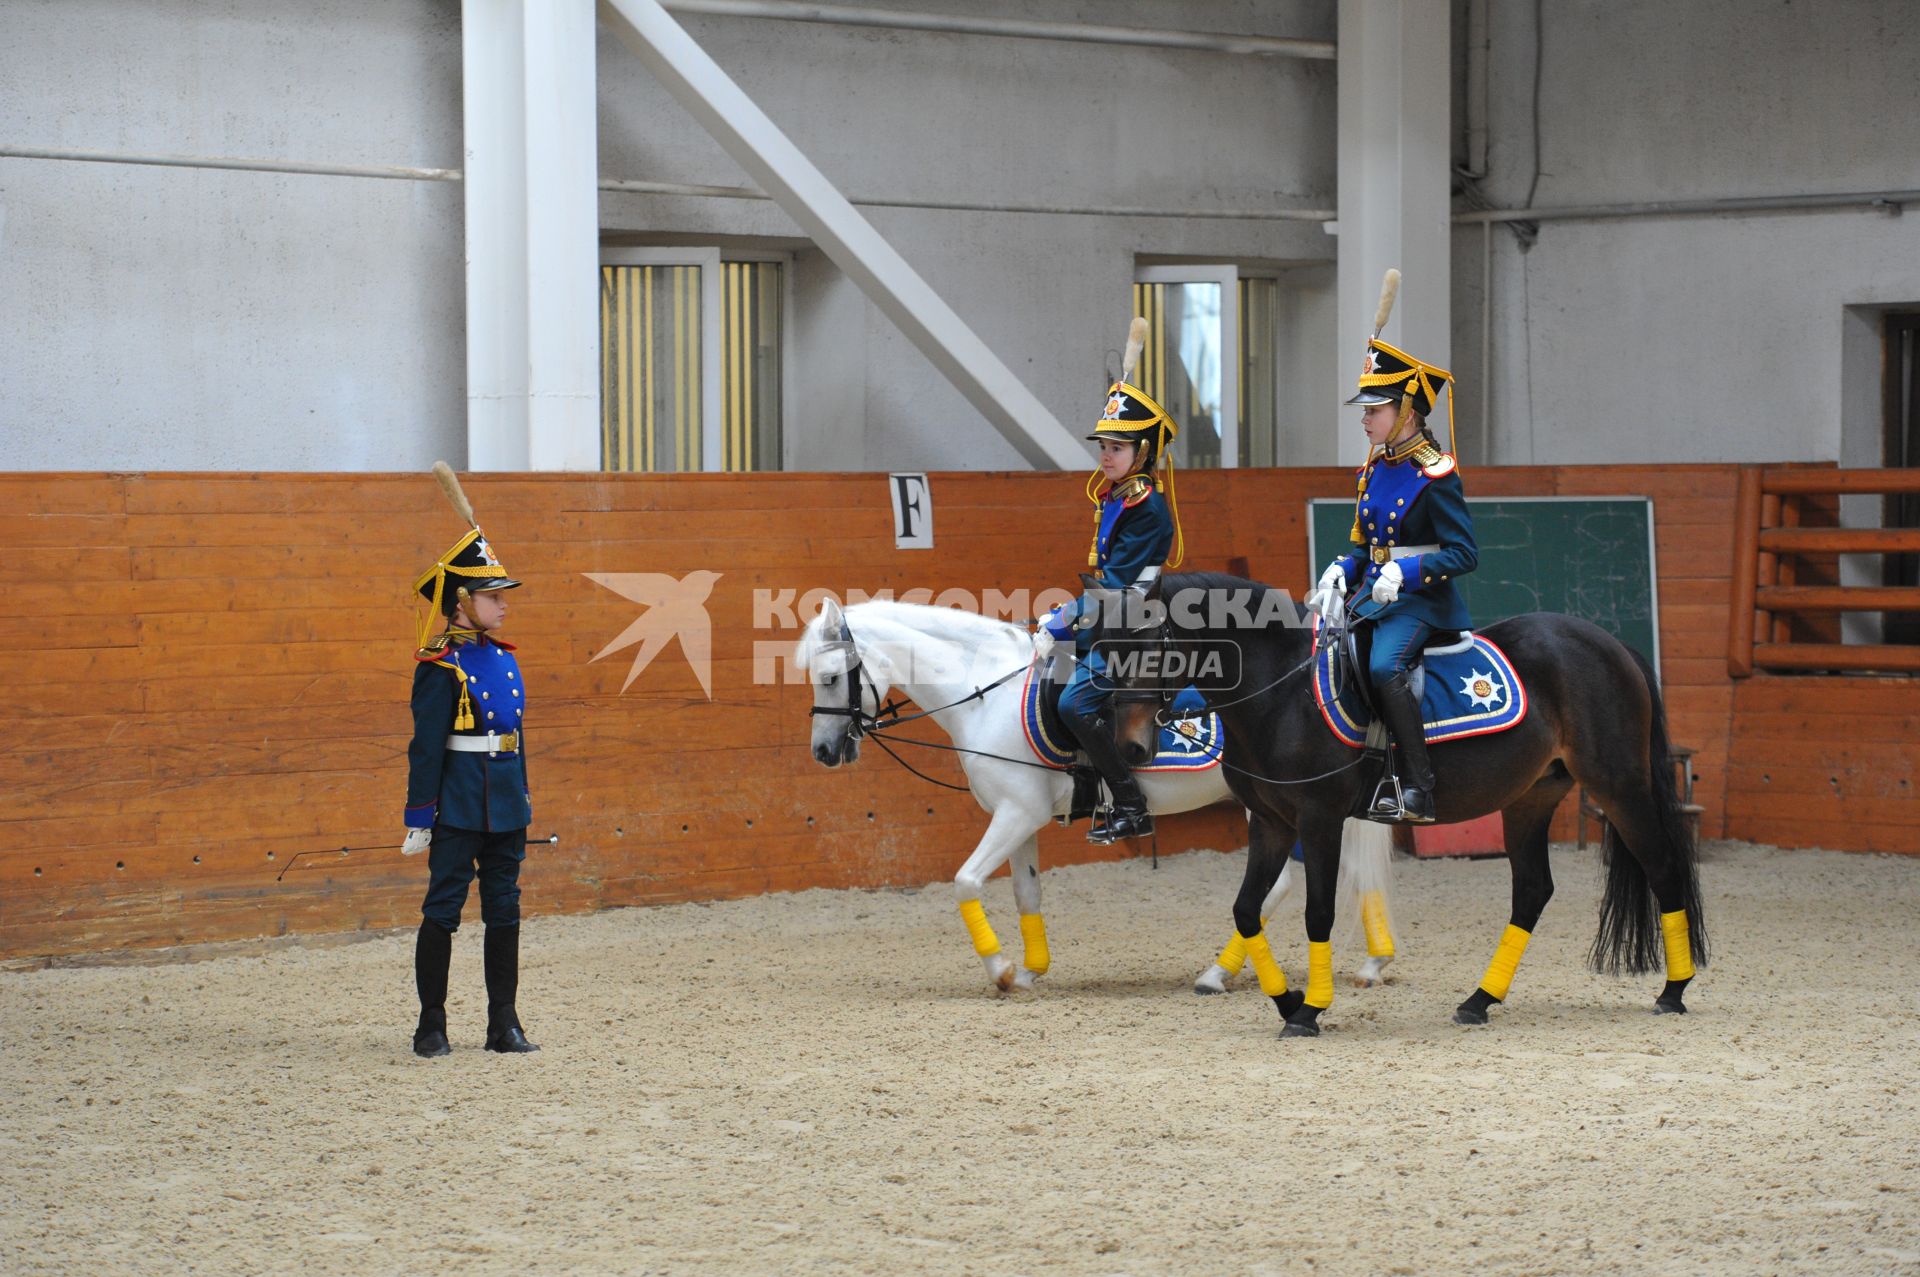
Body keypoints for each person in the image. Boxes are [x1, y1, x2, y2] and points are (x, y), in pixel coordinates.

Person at [1309, 336, 1478, 824]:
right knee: (1325, 650)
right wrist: (1344, 566)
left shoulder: (1436, 473)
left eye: (1375, 409)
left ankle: (1419, 788)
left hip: (1422, 601)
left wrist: (1405, 571)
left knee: (1385, 667)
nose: (1364, 419)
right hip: (1373, 596)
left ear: (1406, 411)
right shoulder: (1376, 467)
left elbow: (1464, 553)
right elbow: (1368, 543)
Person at [403, 474, 538, 1057]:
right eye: (492, 596)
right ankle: (431, 1024)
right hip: (457, 801)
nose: (503, 603)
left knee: (505, 909)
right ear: (462, 602)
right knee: (444, 910)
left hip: (505, 800)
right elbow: (425, 747)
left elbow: (515, 736)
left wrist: (524, 796)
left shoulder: (504, 660)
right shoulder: (438, 666)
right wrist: (420, 815)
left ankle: (502, 1024)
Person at [1037, 376, 1182, 844]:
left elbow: (1118, 586)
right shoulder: (1117, 495)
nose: (1105, 455)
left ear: (1141, 453)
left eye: (1116, 447)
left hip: (1133, 627)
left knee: (1074, 704)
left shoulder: (1145, 506)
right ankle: (1083, 788)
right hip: (1110, 619)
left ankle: (1129, 803)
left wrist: (1063, 619)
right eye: (1103, 445)